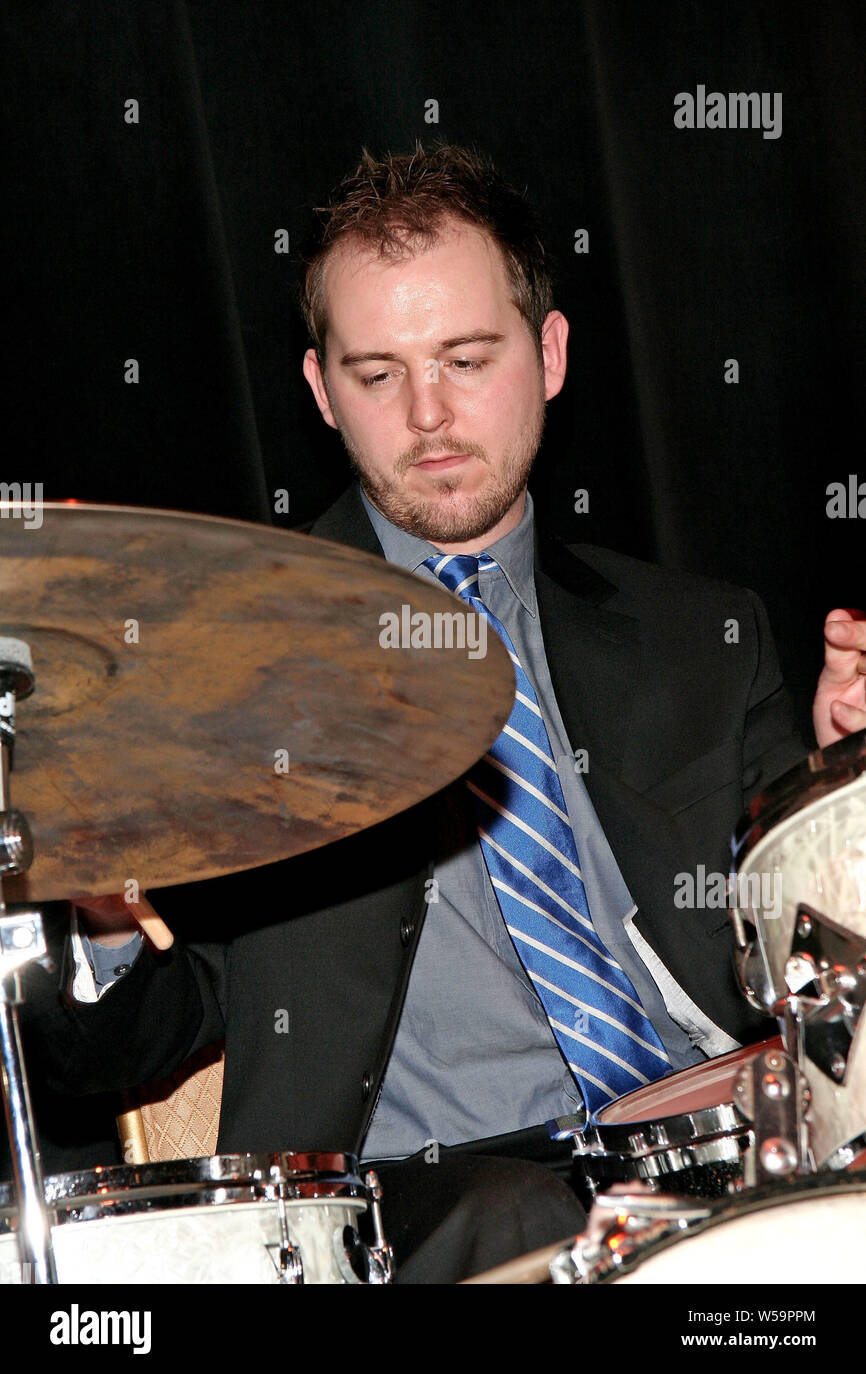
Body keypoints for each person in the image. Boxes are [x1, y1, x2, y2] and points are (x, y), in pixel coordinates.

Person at [24, 142, 866, 1283]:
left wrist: (836, 795)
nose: (428, 413)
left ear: (549, 353)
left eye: (467, 358)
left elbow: (803, 964)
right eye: (376, 375)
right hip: (427, 1198)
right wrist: (104, 904)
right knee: (519, 1212)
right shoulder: (226, 666)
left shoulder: (698, 635)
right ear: (321, 391)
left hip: (721, 1155)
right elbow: (127, 1042)